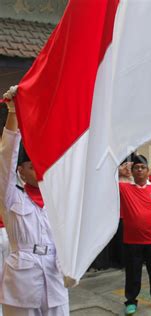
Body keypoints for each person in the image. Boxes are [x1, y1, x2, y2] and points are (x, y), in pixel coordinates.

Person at [0, 86, 69, 315]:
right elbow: (6, 158)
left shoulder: (56, 199)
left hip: (55, 274)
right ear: (20, 170)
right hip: (23, 279)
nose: (39, 170)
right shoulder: (11, 197)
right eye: (32, 166)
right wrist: (13, 113)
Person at [119, 154, 151, 314]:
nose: (139, 170)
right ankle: (130, 300)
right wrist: (120, 173)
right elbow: (104, 182)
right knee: (132, 272)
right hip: (132, 241)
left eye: (142, 167)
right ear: (132, 172)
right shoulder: (124, 188)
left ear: (148, 170)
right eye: (136, 168)